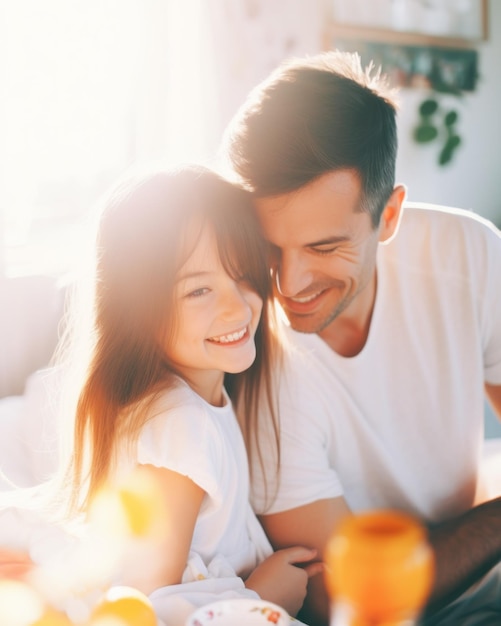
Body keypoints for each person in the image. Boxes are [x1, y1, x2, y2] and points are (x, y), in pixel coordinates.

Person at [221, 50, 501, 626]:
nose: (287, 284)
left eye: (324, 247)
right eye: (269, 246)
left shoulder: (469, 253)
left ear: (390, 216)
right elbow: (345, 598)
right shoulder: (253, 360)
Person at [0, 165, 321, 623]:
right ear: (139, 311)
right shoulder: (180, 426)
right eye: (199, 290)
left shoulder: (196, 399)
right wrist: (261, 598)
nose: (237, 305)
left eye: (244, 275)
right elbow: (144, 605)